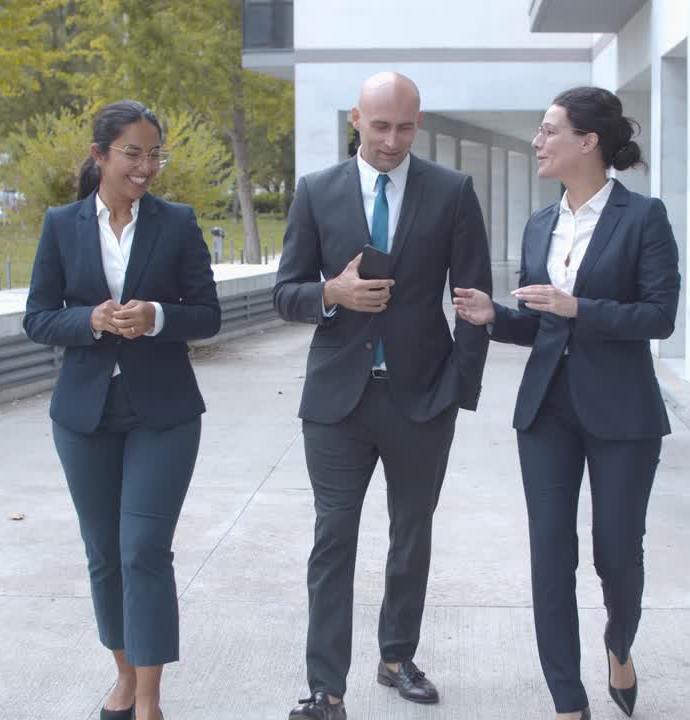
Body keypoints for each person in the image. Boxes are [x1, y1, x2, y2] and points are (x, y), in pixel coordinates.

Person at [452, 86, 680, 720]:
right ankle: (567, 700)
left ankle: (618, 644)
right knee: (550, 553)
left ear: (589, 142)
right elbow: (541, 324)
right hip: (547, 411)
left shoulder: (644, 218)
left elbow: (659, 317)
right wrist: (494, 316)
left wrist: (579, 307)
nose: (538, 141)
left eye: (550, 131)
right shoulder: (539, 224)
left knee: (616, 551)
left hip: (623, 413)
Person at [274, 72, 493, 720]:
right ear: (355, 120)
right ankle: (326, 689)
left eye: (403, 127)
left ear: (418, 123)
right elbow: (284, 293)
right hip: (336, 401)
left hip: (422, 398)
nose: (392, 140)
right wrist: (331, 293)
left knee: (411, 533)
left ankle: (397, 657)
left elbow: (473, 300)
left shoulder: (452, 192)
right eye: (379, 126)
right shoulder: (316, 191)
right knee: (333, 538)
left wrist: (460, 388)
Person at [23, 100, 220, 720]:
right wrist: (91, 319)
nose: (145, 166)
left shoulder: (177, 222)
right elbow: (37, 318)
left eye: (154, 154)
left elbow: (207, 314)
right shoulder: (62, 225)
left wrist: (156, 316)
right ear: (99, 155)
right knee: (104, 553)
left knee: (143, 550)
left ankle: (149, 703)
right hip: (84, 414)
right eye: (132, 153)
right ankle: (126, 676)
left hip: (164, 413)